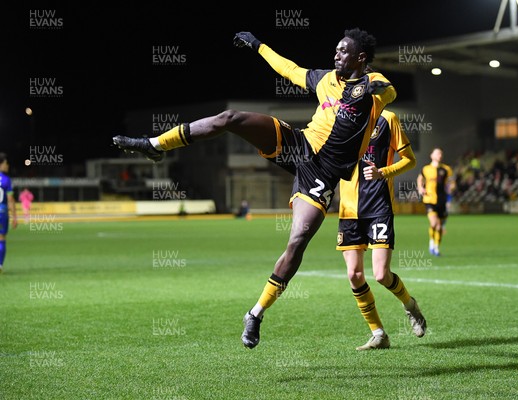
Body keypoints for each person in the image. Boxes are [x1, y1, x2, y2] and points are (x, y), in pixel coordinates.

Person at [113, 29, 397, 348]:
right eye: (336, 50)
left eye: (343, 52)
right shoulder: (326, 79)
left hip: (324, 173)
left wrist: (376, 86)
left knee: (298, 240)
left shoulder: (370, 84)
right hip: (298, 144)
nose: (336, 55)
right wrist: (259, 46)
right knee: (231, 118)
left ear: (360, 57)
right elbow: (288, 69)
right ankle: (155, 144)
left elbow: (388, 93)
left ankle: (256, 313)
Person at [337, 109, 426, 350]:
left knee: (381, 275)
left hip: (378, 207)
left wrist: (382, 173)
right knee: (354, 275)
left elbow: (410, 159)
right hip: (348, 209)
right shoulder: (340, 116)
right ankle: (378, 334)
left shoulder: (389, 118)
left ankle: (409, 305)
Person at [416, 147, 454, 256]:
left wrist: (451, 188)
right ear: (431, 156)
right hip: (429, 199)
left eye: (441, 154)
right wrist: (420, 188)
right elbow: (420, 179)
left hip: (442, 201)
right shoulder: (426, 169)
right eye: (437, 153)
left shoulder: (446, 169)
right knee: (434, 223)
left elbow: (451, 182)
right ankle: (432, 243)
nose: (439, 155)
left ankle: (435, 247)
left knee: (440, 226)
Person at [0, 153, 18, 273]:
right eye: (6, 163)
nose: (7, 166)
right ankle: (0, 265)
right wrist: (15, 217)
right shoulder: (6, 180)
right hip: (2, 212)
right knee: (1, 239)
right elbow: (10, 200)